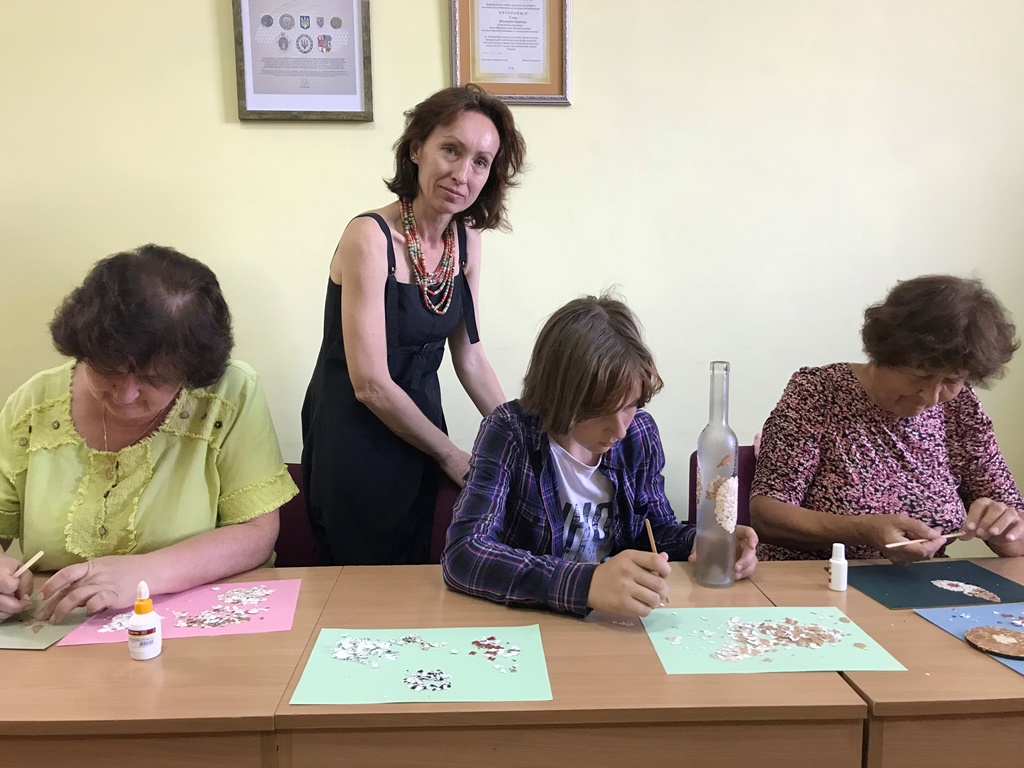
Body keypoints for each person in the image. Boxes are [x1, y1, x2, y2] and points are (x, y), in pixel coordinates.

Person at [0, 245, 297, 623]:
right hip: (57, 625)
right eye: (107, 370)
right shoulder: (34, 404)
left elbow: (256, 533)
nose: (125, 395)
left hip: (198, 620)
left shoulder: (228, 395)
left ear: (192, 371)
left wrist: (147, 573)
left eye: (154, 379)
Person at [301, 84, 526, 566]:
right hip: (355, 438)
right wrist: (449, 454)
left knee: (419, 571)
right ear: (416, 148)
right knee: (359, 584)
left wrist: (523, 438)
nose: (462, 174)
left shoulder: (467, 239)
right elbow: (370, 385)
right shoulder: (369, 237)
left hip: (420, 431)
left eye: (481, 162)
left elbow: (470, 356)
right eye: (451, 150)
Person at [441, 295, 759, 616]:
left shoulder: (639, 433)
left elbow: (654, 530)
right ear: (561, 396)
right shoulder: (510, 432)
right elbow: (464, 553)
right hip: (532, 624)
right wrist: (586, 584)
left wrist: (704, 540)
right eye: (603, 411)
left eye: (630, 405)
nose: (620, 429)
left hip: (616, 622)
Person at [751, 274, 1023, 563]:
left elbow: (1016, 528)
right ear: (885, 354)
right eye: (920, 375)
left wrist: (1005, 531)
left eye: (951, 380)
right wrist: (863, 530)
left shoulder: (962, 408)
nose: (931, 397)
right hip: (817, 577)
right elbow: (767, 515)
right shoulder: (819, 391)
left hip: (921, 582)